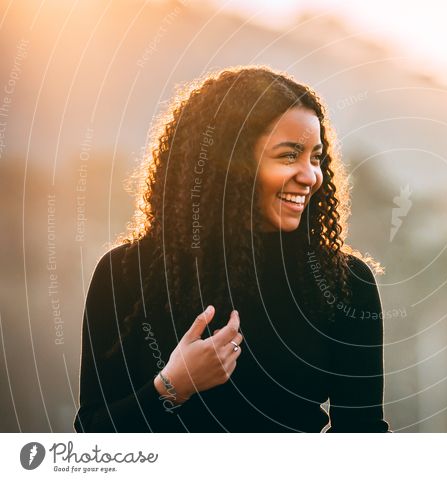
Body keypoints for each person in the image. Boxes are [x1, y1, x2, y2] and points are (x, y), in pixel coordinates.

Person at [73, 66, 391, 432]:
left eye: (315, 157)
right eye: (289, 155)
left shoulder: (343, 283)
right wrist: (174, 385)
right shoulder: (125, 275)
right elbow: (91, 436)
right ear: (229, 165)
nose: (310, 176)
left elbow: (362, 436)